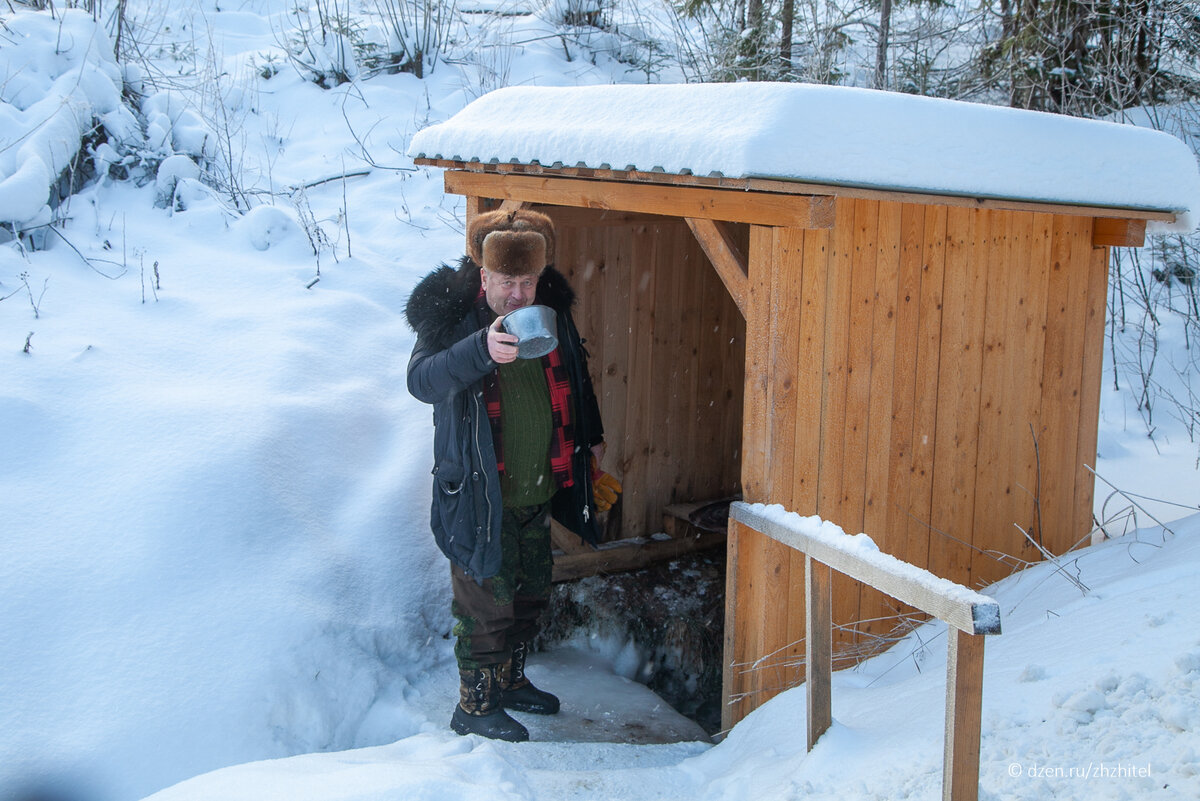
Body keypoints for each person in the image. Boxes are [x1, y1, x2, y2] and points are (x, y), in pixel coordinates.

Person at [404, 208, 618, 742]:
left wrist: (589, 439)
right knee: (485, 602)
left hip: (536, 487)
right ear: (484, 276)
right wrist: (480, 350)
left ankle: (509, 682)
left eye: (528, 282)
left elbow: (576, 373)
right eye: (507, 283)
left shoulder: (550, 313)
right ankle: (473, 707)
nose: (519, 295)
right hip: (481, 493)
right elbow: (421, 380)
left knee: (529, 594)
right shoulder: (453, 317)